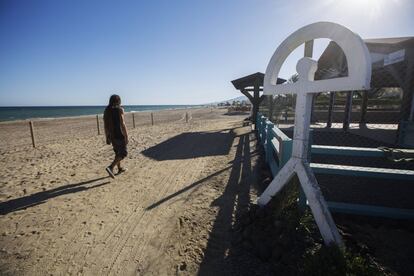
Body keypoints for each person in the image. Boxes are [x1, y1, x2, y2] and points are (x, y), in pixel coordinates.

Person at [103, 94, 128, 178]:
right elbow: (123, 124)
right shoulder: (119, 110)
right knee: (123, 153)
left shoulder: (107, 111)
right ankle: (110, 167)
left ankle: (120, 168)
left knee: (117, 152)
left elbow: (105, 126)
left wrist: (107, 137)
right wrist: (126, 136)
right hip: (119, 134)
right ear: (118, 101)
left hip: (112, 135)